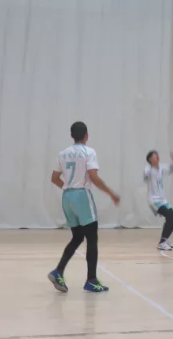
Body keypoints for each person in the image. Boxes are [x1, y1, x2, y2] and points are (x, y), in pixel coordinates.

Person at [48, 121, 120, 294]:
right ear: (86, 135)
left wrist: (68, 188)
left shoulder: (63, 153)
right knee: (92, 237)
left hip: (67, 196)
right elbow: (93, 177)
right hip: (82, 195)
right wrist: (110, 193)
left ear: (72, 136)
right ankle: (91, 280)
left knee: (78, 236)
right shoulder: (89, 152)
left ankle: (58, 271)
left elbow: (54, 178)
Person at [144, 150, 173, 250]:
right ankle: (162, 242)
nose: (157, 156)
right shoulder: (148, 169)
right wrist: (149, 171)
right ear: (150, 159)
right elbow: (145, 176)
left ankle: (164, 239)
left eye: (157, 155)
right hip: (154, 200)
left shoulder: (162, 167)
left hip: (163, 200)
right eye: (155, 156)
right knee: (169, 217)